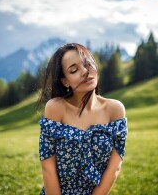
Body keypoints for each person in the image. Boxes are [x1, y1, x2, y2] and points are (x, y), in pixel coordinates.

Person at [37, 43, 127, 195]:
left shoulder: (115, 109)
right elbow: (48, 167)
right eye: (74, 70)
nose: (85, 72)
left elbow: (114, 167)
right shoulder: (55, 107)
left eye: (88, 64)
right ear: (65, 81)